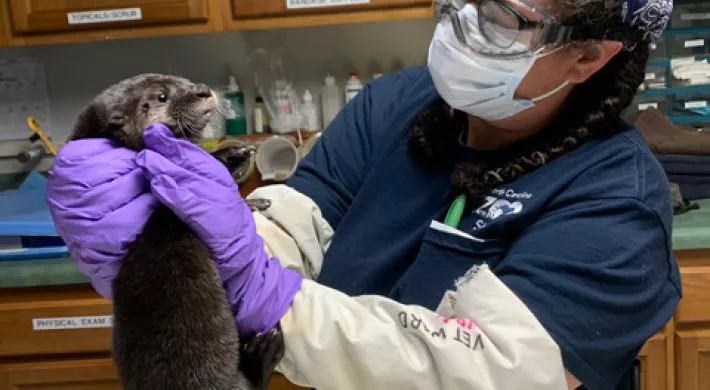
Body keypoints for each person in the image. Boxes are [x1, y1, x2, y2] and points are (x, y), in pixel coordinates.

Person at [45, 0, 681, 388]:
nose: (459, 24)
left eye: (498, 15)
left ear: (587, 56)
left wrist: (261, 297)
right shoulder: (395, 104)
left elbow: (484, 372)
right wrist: (184, 256)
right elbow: (299, 220)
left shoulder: (615, 199)